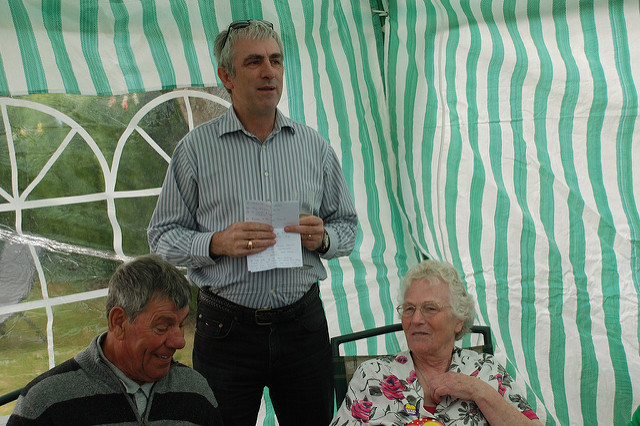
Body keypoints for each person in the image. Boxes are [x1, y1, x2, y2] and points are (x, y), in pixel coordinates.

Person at [147, 19, 358, 426]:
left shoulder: (313, 146)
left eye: (276, 61)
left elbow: (346, 226)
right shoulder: (195, 150)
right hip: (227, 330)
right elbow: (161, 236)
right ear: (226, 76)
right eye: (255, 62)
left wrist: (324, 238)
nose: (269, 71)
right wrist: (215, 243)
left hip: (302, 325)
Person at [7, 254, 222, 426]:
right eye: (163, 326)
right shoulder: (46, 403)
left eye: (181, 324)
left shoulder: (195, 391)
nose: (179, 342)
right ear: (119, 322)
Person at [331, 259, 543, 426]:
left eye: (430, 308)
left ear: (459, 320)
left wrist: (477, 391)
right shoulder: (372, 375)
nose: (416, 320)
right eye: (409, 309)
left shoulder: (485, 370)